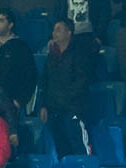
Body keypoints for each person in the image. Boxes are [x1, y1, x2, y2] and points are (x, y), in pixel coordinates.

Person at [38, 20, 92, 159]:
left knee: (78, 144)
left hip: (73, 108)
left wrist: (65, 99)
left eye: (58, 30)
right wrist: (43, 105)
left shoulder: (79, 54)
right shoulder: (52, 55)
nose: (54, 33)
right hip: (54, 110)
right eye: (54, 30)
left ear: (69, 33)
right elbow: (44, 81)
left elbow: (81, 82)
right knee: (61, 146)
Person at [0, 8, 37, 111]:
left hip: (10, 100)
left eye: (1, 20)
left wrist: (20, 100)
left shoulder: (21, 48)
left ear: (10, 25)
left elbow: (29, 76)